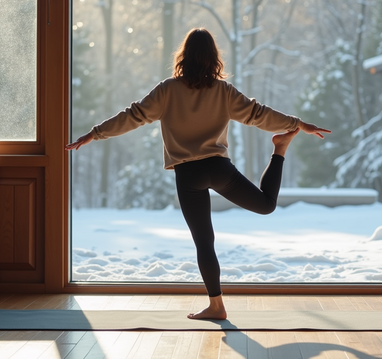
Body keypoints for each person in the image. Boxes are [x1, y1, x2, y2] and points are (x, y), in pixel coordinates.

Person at [66, 28, 331, 320]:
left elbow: (134, 115)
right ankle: (279, 149)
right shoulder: (223, 91)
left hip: (188, 175)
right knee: (266, 205)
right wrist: (298, 123)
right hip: (218, 169)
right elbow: (258, 113)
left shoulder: (167, 89)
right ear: (213, 58)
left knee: (204, 242)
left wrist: (95, 134)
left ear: (184, 56)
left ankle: (217, 306)